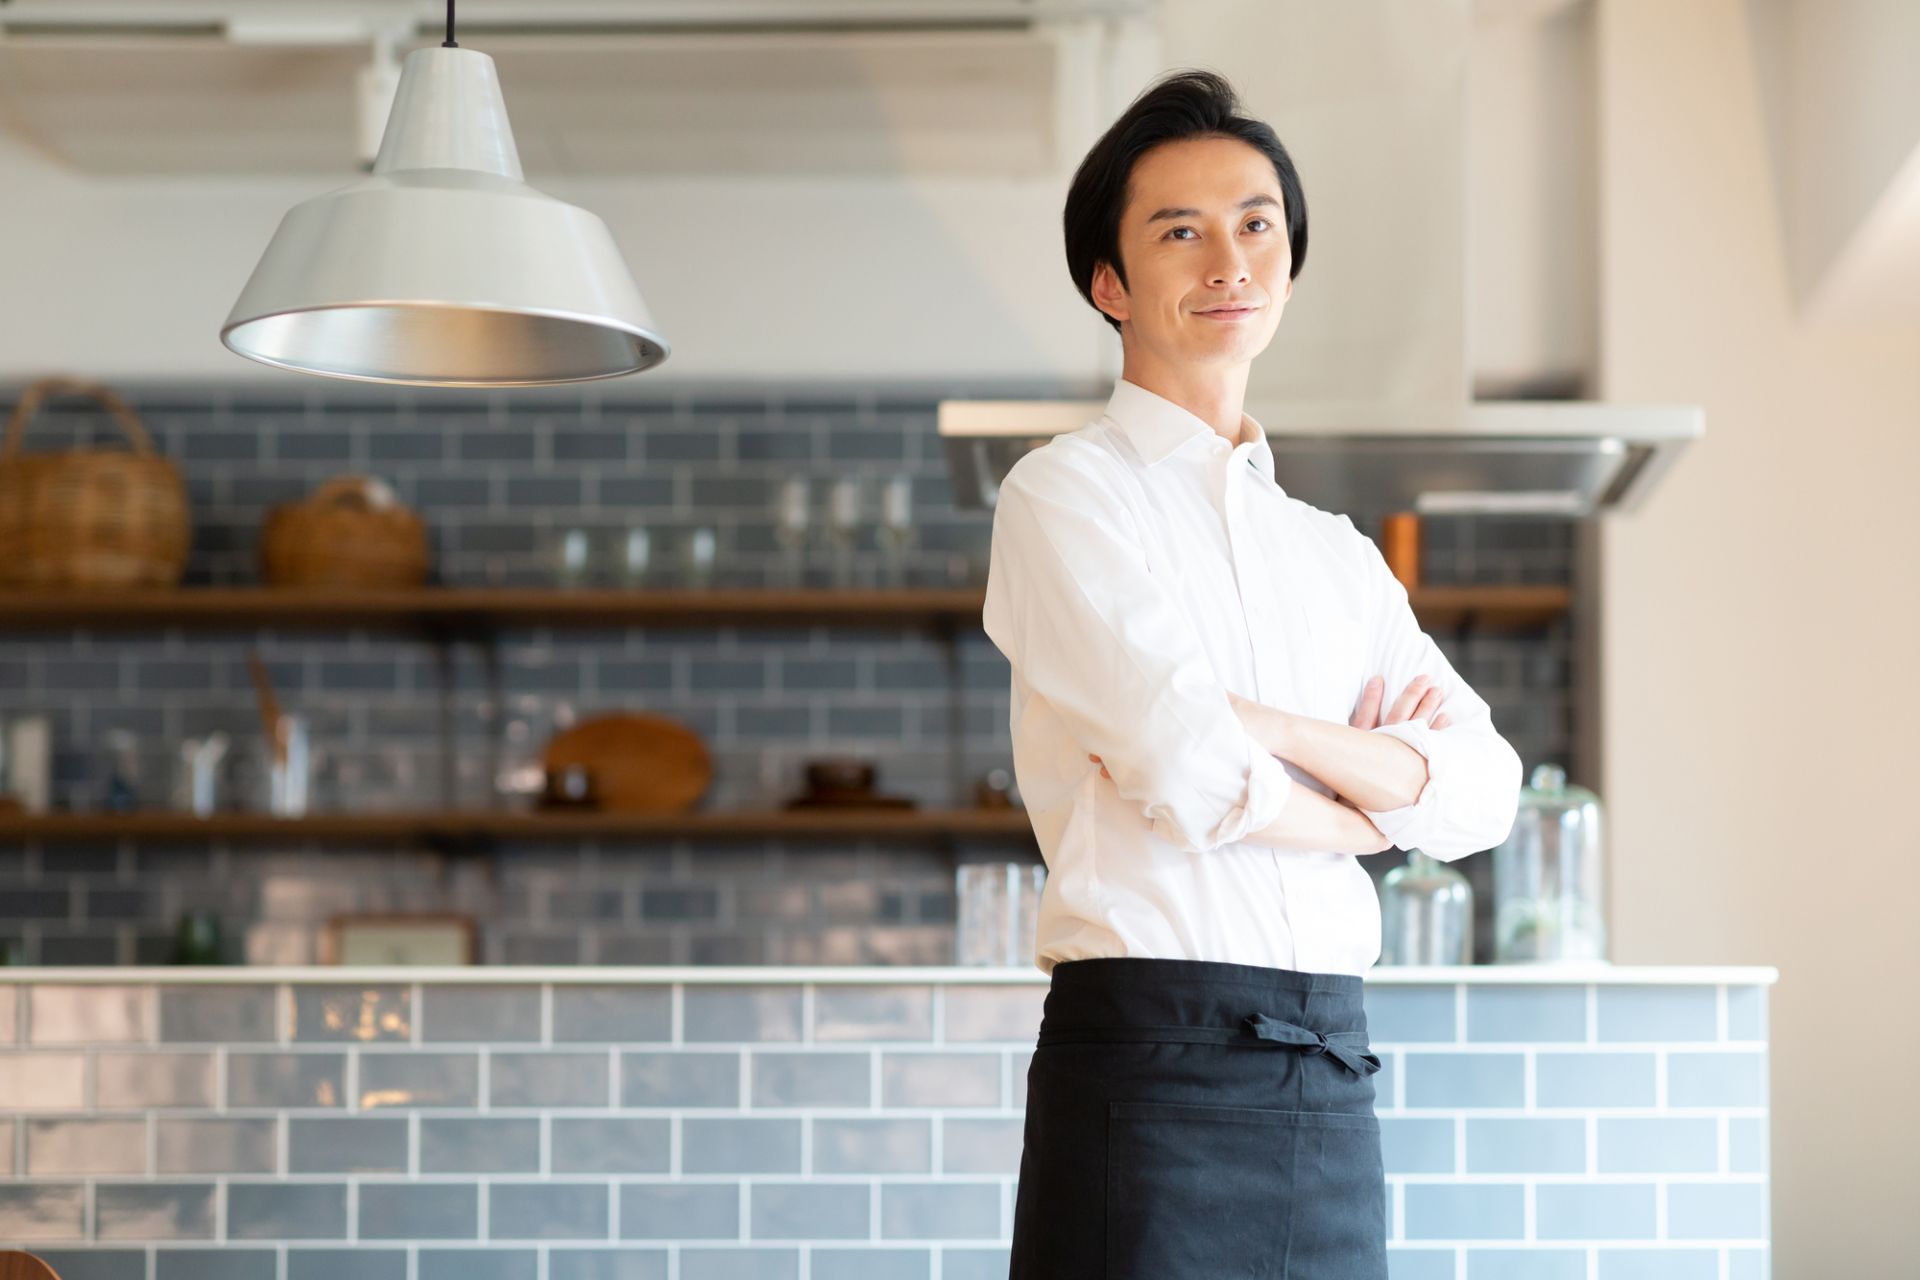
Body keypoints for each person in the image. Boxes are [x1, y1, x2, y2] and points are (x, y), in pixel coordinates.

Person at [983, 69, 1525, 1278]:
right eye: (1181, 229)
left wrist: (1272, 726)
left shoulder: (1335, 554)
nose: (1228, 257)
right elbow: (1180, 760)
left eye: (1256, 222)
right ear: (1109, 283)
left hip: (1330, 1072)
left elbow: (1484, 788)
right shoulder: (1066, 492)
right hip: (1146, 1063)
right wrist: (1364, 817)